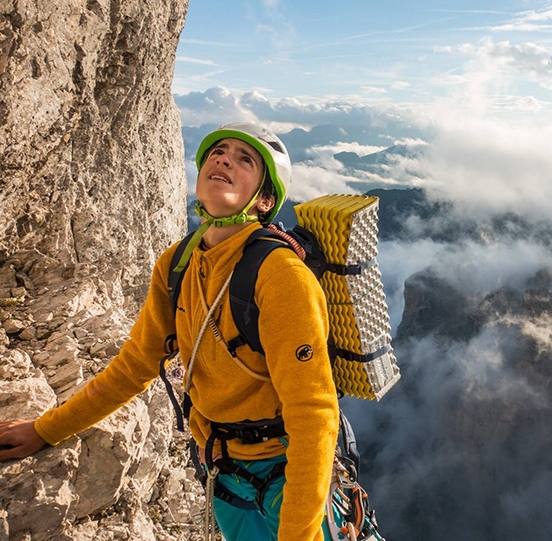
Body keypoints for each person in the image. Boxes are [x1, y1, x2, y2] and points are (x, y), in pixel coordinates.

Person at [0, 123, 340, 541]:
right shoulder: (177, 264)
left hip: (287, 476)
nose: (223, 158)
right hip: (223, 472)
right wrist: (45, 429)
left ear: (265, 200)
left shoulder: (282, 278)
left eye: (244, 158)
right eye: (217, 151)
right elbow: (134, 366)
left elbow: (313, 414)